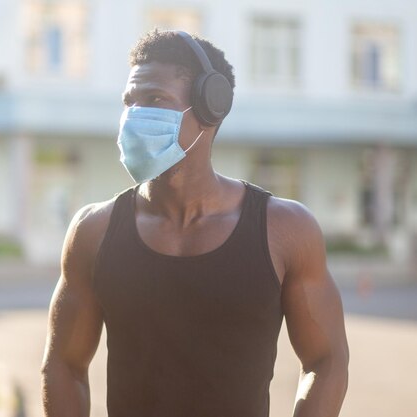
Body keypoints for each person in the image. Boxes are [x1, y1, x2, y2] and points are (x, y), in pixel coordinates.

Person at [41, 29, 349, 417]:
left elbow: (326, 361)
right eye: (129, 102)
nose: (135, 115)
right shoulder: (93, 231)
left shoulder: (285, 230)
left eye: (154, 99)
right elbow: (63, 366)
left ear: (209, 107)